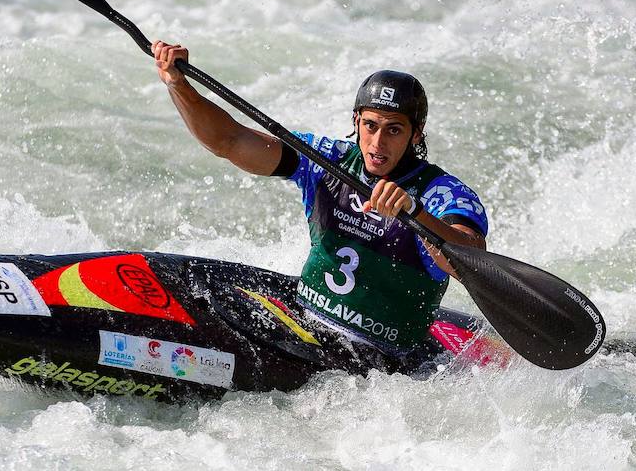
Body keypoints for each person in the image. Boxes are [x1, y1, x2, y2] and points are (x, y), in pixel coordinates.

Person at [152, 40, 489, 372]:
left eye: (394, 130)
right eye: (370, 125)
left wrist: (415, 213)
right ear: (356, 121)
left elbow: (471, 261)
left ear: (416, 135)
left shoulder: (442, 193)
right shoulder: (326, 160)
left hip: (383, 363)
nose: (378, 142)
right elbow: (230, 141)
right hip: (306, 323)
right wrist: (178, 85)